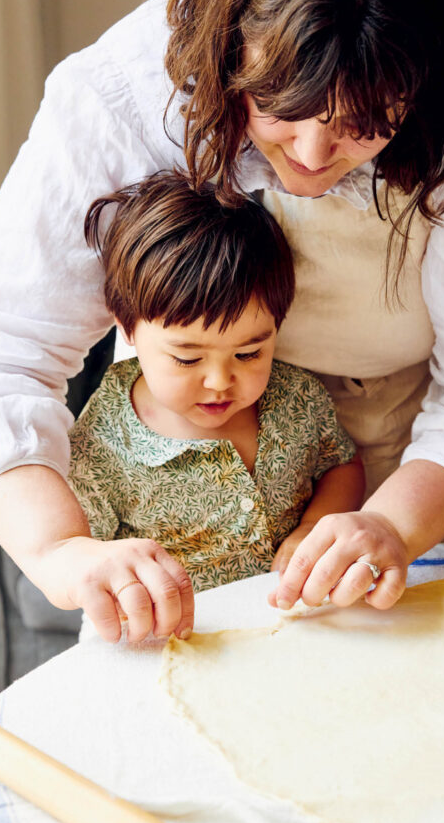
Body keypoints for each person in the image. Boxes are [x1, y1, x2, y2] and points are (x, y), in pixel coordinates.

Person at [0, 0, 444, 643]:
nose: (313, 154)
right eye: (281, 108)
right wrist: (60, 551)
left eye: (365, 124)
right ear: (232, 47)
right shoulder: (123, 91)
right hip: (189, 437)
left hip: (433, 443)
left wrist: (390, 523)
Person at [67, 171, 364, 640]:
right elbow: (80, 557)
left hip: (297, 632)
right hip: (169, 643)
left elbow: (341, 467)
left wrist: (314, 527)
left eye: (249, 354)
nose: (220, 382)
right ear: (126, 328)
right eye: (187, 358)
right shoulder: (101, 441)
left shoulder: (296, 398)